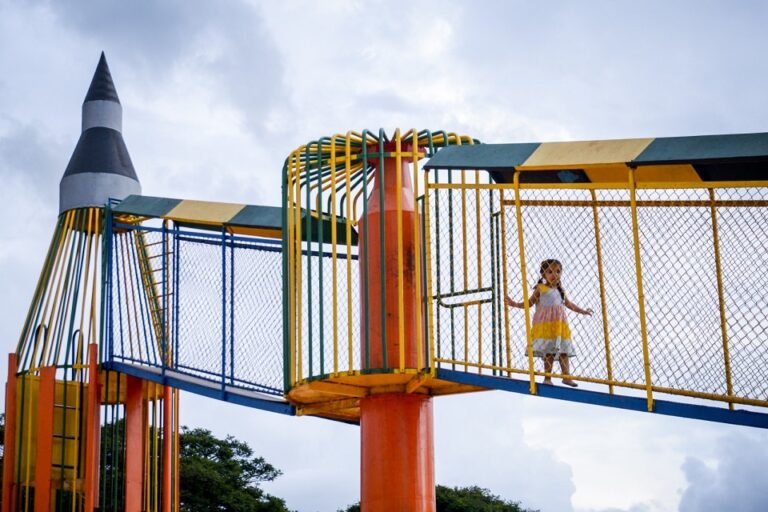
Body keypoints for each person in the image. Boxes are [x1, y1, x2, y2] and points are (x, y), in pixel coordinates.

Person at [505, 259, 593, 387]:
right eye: (550, 272)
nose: (554, 275)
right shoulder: (540, 289)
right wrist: (515, 304)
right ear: (543, 274)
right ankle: (547, 377)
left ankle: (566, 376)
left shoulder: (560, 289)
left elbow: (568, 304)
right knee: (549, 352)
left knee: (564, 351)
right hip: (546, 326)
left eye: (558, 272)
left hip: (560, 326)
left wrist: (583, 311)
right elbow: (529, 303)